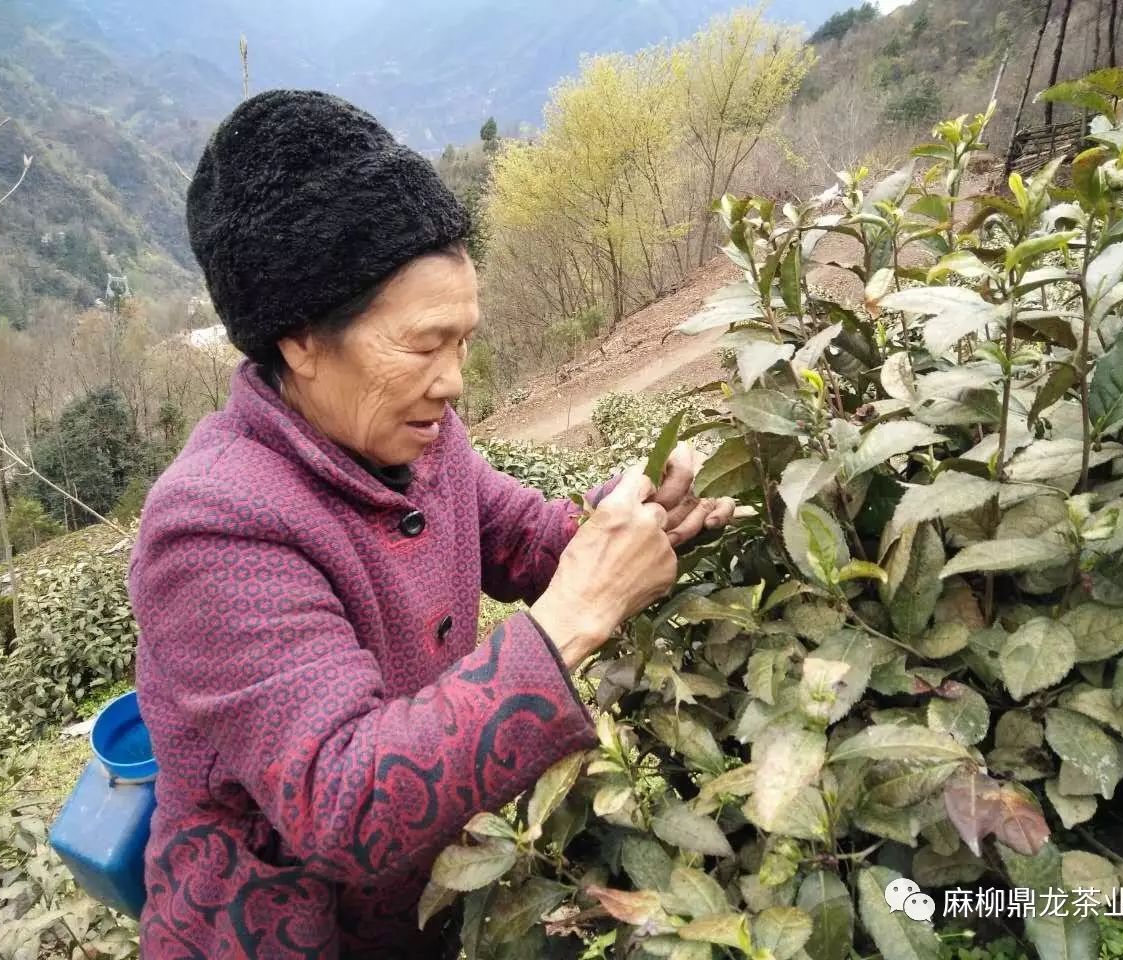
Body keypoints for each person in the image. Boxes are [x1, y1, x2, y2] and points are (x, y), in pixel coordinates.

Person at [128, 90, 735, 959]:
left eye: (464, 341)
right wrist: (574, 620)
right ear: (300, 338)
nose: (454, 382)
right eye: (422, 345)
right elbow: (343, 802)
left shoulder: (417, 432)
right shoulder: (214, 529)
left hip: (432, 900)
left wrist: (633, 524)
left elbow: (520, 536)